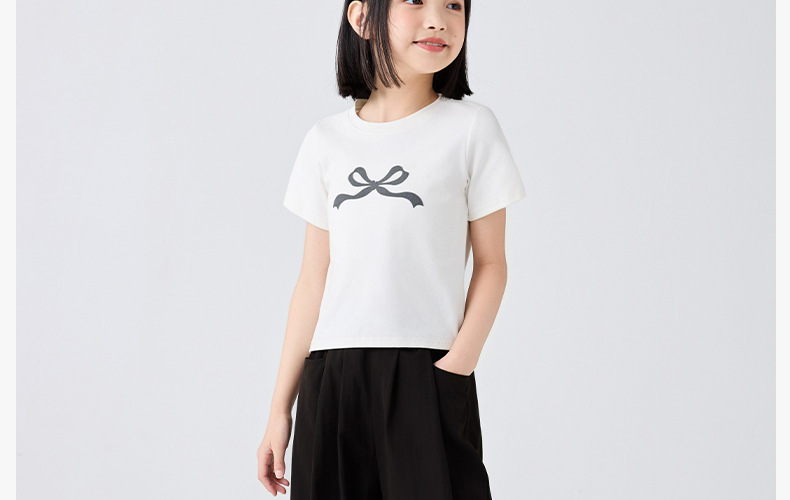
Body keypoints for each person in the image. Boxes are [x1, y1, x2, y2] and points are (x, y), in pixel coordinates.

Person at [257, 0, 526, 497]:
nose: (438, 19)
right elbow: (313, 279)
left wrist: (456, 367)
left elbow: (492, 264)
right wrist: (280, 408)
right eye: (415, 1)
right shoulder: (326, 140)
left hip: (427, 373)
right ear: (361, 17)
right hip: (331, 380)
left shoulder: (470, 128)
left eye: (453, 5)